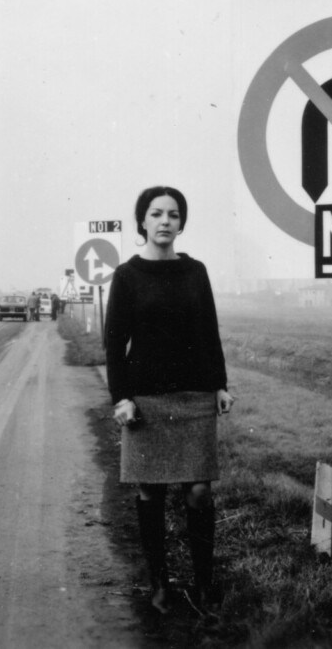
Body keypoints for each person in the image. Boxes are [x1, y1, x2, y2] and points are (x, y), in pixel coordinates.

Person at [105, 186, 234, 616]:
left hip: (195, 396)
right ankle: (158, 581)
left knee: (198, 490)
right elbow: (114, 343)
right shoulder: (126, 275)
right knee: (150, 491)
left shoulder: (196, 272)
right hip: (146, 400)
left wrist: (220, 384)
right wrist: (121, 397)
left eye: (173, 215)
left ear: (181, 223)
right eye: (156, 213)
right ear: (142, 220)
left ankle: (202, 585)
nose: (165, 221)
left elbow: (209, 331)